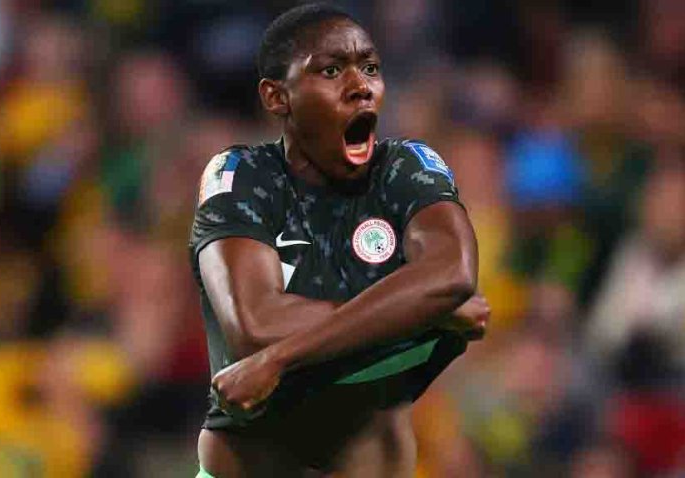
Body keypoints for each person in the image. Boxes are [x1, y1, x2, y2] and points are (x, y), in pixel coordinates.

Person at [189, 4, 489, 477]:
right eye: (331, 70)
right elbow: (253, 324)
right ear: (276, 97)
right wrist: (416, 307)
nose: (360, 86)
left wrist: (283, 356)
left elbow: (453, 277)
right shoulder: (243, 176)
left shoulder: (405, 169)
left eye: (370, 68)